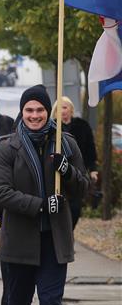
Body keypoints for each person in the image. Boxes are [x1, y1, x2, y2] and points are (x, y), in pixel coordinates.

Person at [0, 85, 88, 305]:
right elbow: (0, 192)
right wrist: (41, 204)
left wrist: (68, 171)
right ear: (22, 112)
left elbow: (83, 187)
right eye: (29, 110)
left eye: (40, 110)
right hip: (18, 240)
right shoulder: (8, 147)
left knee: (50, 303)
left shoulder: (66, 143)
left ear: (48, 111)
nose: (35, 115)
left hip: (54, 240)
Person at [55, 96, 98, 227]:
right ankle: (62, 241)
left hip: (77, 174)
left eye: (65, 107)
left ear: (71, 109)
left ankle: (69, 234)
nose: (62, 111)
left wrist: (93, 169)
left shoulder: (82, 126)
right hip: (57, 175)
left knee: (75, 210)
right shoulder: (52, 127)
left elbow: (90, 149)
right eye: (59, 108)